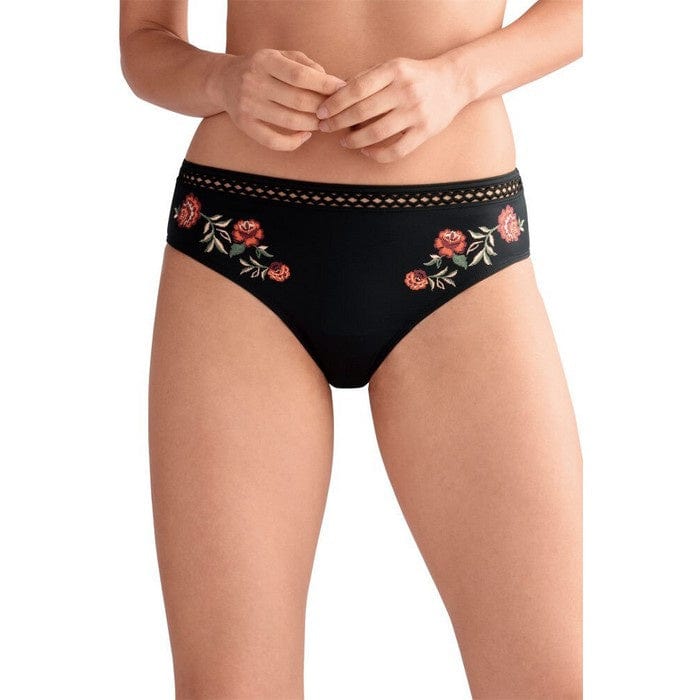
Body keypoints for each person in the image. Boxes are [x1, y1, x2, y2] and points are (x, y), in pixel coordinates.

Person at [120, 1, 583, 697]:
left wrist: (459, 77)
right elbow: (144, 42)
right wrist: (222, 81)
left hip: (459, 246)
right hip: (239, 239)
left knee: (543, 682)